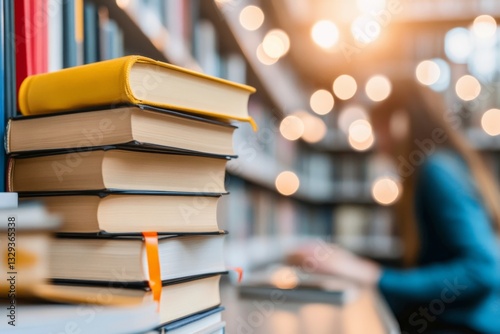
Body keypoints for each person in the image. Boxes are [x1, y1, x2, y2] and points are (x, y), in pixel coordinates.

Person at [288, 77, 500, 333]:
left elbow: (483, 270)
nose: (379, 144)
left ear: (401, 124)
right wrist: (350, 264)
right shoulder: (442, 167)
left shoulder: (436, 171)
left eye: (379, 128)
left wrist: (370, 273)